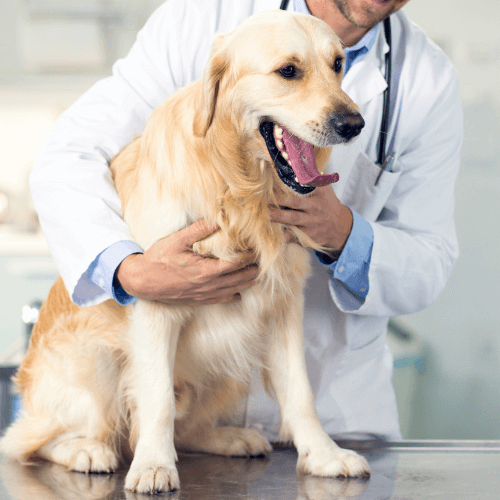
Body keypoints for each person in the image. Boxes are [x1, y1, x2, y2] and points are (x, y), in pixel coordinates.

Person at [29, 0, 463, 441]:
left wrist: (344, 235)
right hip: (182, 414)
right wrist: (130, 270)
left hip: (335, 410)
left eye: (334, 68)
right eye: (289, 72)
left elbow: (430, 260)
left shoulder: (429, 80)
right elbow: (72, 153)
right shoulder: (200, 18)